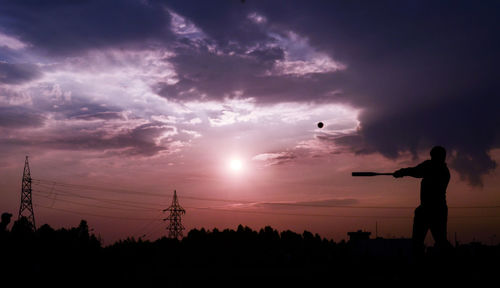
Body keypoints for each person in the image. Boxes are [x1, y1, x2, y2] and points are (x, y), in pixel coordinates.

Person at [393, 146, 452, 259]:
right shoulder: (440, 169)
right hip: (432, 210)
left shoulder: (435, 168)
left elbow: (415, 171)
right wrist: (402, 172)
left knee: (438, 242)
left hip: (433, 210)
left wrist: (402, 172)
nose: (431, 158)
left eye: (434, 156)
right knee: (430, 242)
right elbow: (417, 171)